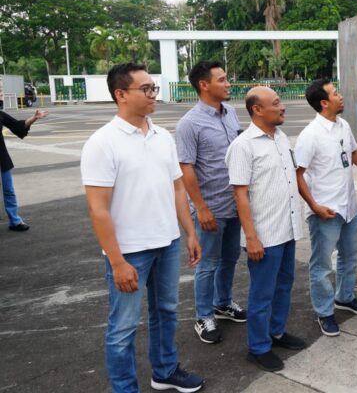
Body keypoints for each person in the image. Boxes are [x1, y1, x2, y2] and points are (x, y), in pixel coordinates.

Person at [80, 63, 204, 393]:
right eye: (146, 89)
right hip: (129, 251)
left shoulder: (163, 136)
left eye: (154, 88)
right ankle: (125, 388)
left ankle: (164, 370)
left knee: (166, 312)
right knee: (123, 326)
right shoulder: (102, 143)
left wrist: (189, 232)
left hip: (167, 242)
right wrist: (117, 261)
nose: (153, 95)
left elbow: (177, 188)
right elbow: (98, 208)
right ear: (121, 95)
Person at [295, 79, 357, 337]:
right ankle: (324, 312)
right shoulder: (310, 135)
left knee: (350, 257)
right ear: (324, 103)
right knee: (322, 266)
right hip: (325, 211)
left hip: (349, 207)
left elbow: (354, 153)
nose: (341, 96)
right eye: (336, 93)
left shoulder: (343, 125)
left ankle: (344, 297)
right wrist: (314, 206)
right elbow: (298, 174)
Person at [226, 86, 306, 372]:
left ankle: (276, 332)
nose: (282, 106)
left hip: (287, 229)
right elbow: (240, 195)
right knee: (262, 293)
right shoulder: (243, 146)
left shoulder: (281, 137)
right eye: (276, 103)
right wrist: (251, 237)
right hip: (264, 235)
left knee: (284, 286)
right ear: (257, 109)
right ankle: (258, 347)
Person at [176, 61, 246, 345]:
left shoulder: (230, 113)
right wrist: (201, 207)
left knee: (230, 258)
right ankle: (203, 315)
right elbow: (186, 168)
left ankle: (223, 302)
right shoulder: (189, 124)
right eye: (223, 79)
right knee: (207, 264)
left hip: (235, 204)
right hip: (211, 208)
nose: (228, 83)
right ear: (204, 85)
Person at [1, 108, 49, 231]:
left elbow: (17, 126)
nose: (1, 94)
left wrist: (34, 118)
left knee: (9, 191)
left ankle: (15, 221)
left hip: (2, 159)